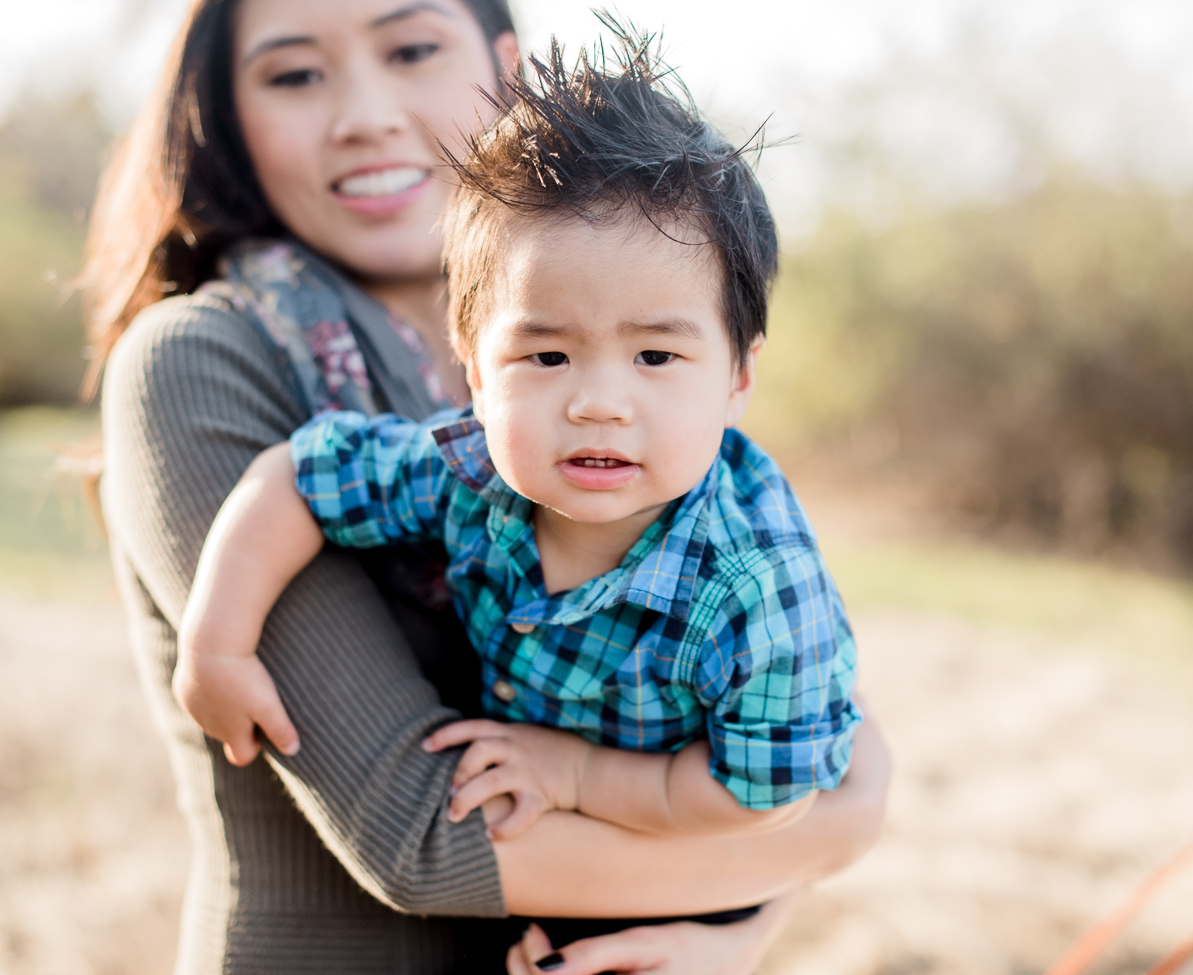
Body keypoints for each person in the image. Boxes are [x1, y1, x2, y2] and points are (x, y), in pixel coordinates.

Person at [86, 0, 892, 972]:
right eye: (295, 73)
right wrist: (833, 835)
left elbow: (803, 729)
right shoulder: (222, 365)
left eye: (412, 47)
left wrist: (742, 922)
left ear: (504, 65)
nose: (365, 114)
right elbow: (423, 839)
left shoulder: (707, 493)